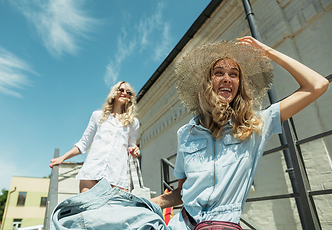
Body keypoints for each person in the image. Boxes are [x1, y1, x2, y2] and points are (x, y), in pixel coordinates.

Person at [149, 36, 329, 229]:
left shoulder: (255, 125)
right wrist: (145, 203)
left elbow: (317, 85)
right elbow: (181, 192)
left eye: (234, 74)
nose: (227, 78)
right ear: (207, 83)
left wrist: (267, 52)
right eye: (218, 72)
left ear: (238, 86)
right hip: (180, 225)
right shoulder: (186, 133)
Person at [49, 81, 141, 193]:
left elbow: (131, 146)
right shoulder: (98, 116)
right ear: (114, 92)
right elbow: (84, 143)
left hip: (117, 177)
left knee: (115, 210)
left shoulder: (133, 123)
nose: (124, 93)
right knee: (87, 209)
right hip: (92, 172)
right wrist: (62, 158)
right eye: (121, 90)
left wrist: (135, 150)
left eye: (129, 92)